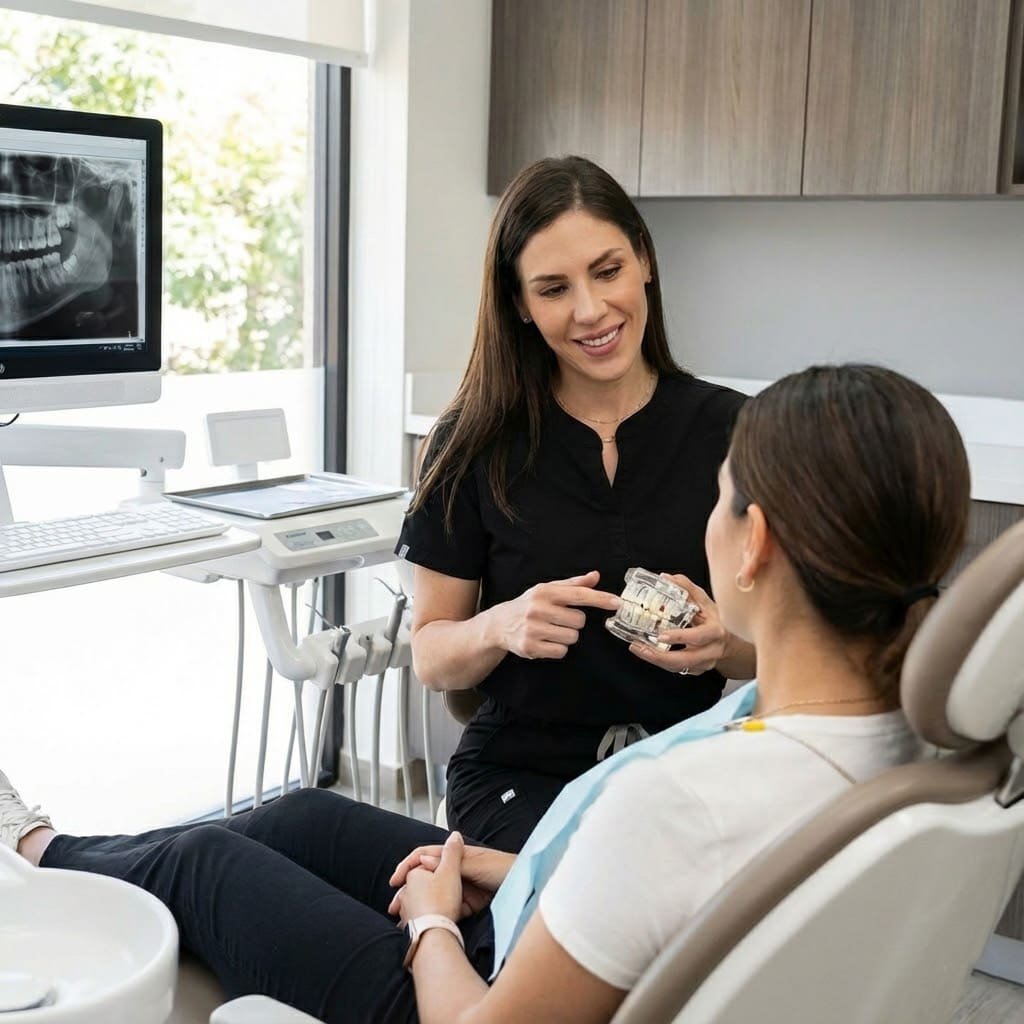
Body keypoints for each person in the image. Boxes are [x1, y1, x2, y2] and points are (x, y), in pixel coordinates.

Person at [3, 363, 970, 1024]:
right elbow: (671, 897)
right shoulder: (907, 748)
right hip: (549, 919)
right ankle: (46, 851)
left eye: (721, 497)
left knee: (209, 864)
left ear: (753, 543)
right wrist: (498, 872)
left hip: (470, 989)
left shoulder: (682, 801)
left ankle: (31, 852)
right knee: (301, 816)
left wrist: (431, 919)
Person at [398, 155, 753, 851]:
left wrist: (723, 645)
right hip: (521, 774)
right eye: (554, 288)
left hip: (684, 766)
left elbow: (782, 650)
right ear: (520, 305)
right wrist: (500, 625)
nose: (591, 310)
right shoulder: (469, 444)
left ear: (644, 260)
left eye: (608, 270)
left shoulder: (739, 433)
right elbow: (431, 655)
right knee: (586, 901)